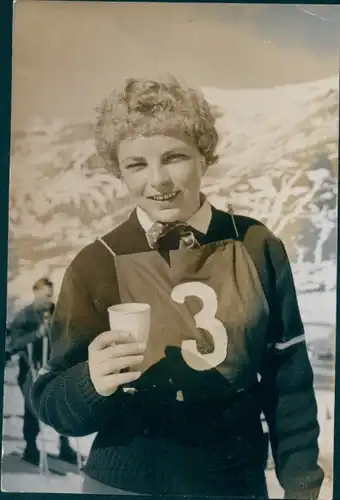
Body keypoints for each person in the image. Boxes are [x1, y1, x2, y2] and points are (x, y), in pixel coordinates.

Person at [29, 77, 324, 498]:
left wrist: (302, 487)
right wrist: (90, 381)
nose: (159, 180)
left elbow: (289, 384)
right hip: (122, 487)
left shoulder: (257, 246)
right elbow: (51, 398)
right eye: (136, 164)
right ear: (118, 171)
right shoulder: (97, 262)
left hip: (234, 486)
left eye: (174, 157)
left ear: (204, 156)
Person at [10, 277, 78, 466]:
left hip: (52, 367)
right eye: (45, 296)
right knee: (33, 406)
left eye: (50, 295)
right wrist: (36, 335)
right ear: (36, 293)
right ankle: (30, 446)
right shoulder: (25, 316)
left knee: (61, 405)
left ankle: (64, 445)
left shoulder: (55, 311)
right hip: (30, 368)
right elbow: (12, 344)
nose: (49, 299)